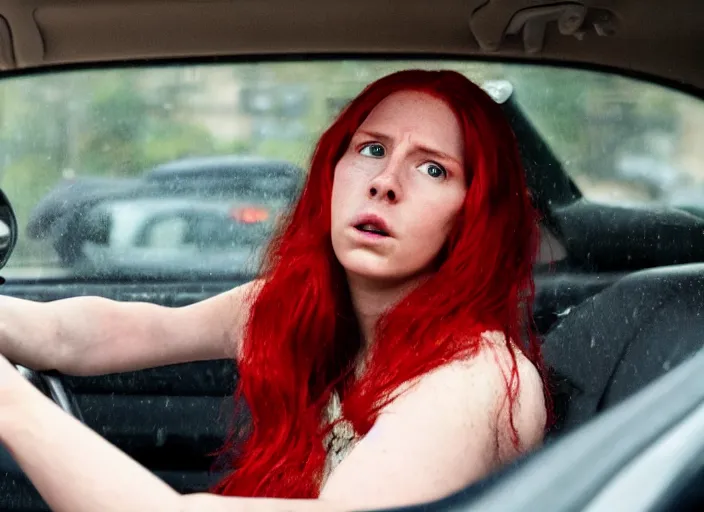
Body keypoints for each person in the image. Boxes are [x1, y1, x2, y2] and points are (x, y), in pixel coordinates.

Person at [0, 69, 548, 512]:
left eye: (432, 168)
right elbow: (93, 335)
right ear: (333, 171)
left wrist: (12, 405)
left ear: (473, 214)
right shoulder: (302, 309)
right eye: (372, 150)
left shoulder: (475, 381)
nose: (385, 182)